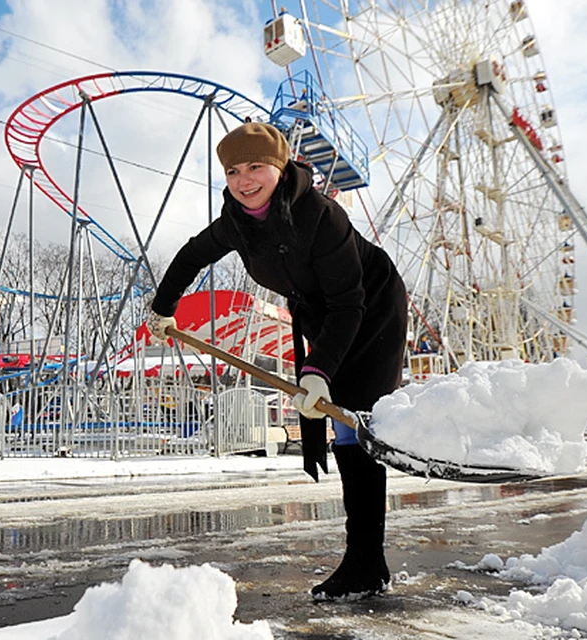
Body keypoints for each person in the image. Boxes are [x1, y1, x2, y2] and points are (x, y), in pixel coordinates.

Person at [145, 122, 408, 601]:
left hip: (371, 308)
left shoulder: (321, 215)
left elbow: (351, 304)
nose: (245, 180)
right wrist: (163, 308)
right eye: (232, 170)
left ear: (280, 167)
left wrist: (318, 372)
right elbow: (190, 255)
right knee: (343, 424)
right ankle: (367, 561)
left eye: (256, 167)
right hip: (320, 312)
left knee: (355, 421)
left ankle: (366, 561)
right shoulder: (235, 221)